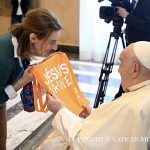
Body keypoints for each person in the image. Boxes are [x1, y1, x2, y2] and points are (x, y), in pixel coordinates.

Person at [46, 41, 150, 150]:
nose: (118, 70)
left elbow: (84, 142)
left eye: (121, 63)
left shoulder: (132, 107)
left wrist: (60, 111)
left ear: (134, 69)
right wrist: (93, 115)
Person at [0, 8, 62, 150]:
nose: (55, 47)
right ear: (33, 38)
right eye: (51, 42)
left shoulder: (21, 39)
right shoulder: (4, 59)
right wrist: (22, 82)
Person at [114, 0, 150, 98]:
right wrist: (128, 29)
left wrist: (127, 15)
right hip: (132, 42)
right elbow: (137, 19)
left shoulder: (147, 2)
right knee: (128, 71)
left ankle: (121, 96)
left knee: (134, 72)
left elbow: (147, 25)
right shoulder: (134, 1)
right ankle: (121, 95)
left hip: (140, 48)